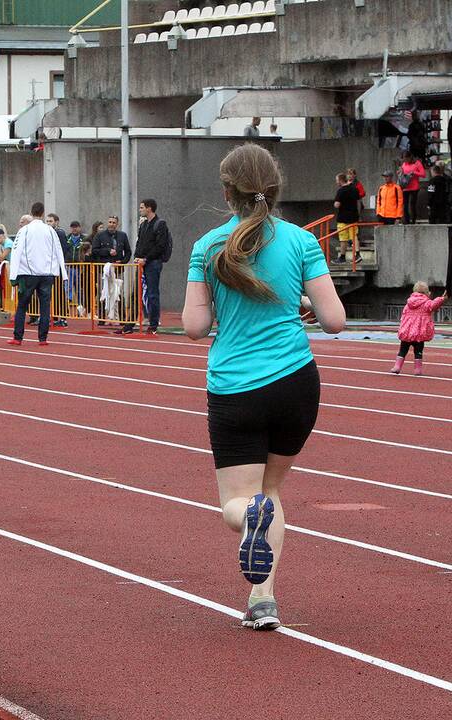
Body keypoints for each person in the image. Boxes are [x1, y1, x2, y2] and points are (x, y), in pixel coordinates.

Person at [182, 143, 345, 631]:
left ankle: (248, 520)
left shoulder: (208, 246)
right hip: (296, 383)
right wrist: (302, 307)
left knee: (242, 502)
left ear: (225, 191)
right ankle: (263, 599)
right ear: (274, 188)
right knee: (271, 490)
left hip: (235, 387)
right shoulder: (301, 242)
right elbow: (335, 320)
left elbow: (193, 326)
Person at [6, 202, 66, 346]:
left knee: (22, 305)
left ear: (31, 212)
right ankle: (42, 338)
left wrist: (13, 275)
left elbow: (16, 251)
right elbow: (59, 250)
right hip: (47, 274)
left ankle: (18, 337)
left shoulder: (24, 230)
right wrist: (63, 273)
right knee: (45, 306)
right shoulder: (50, 230)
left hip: (29, 273)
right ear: (43, 213)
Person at [128, 199, 170, 335]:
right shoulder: (144, 224)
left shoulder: (160, 224)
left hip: (153, 263)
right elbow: (140, 242)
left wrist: (146, 259)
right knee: (136, 293)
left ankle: (153, 323)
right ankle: (130, 323)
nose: (140, 209)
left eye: (142, 207)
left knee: (152, 293)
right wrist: (137, 256)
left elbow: (160, 245)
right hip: (141, 262)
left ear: (149, 208)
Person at [391, 282, 447, 376]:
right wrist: (442, 298)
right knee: (418, 351)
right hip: (419, 334)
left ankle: (397, 366)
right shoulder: (426, 303)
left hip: (407, 333)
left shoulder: (408, 303)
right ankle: (418, 369)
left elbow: (403, 316)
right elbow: (434, 304)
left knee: (402, 350)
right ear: (427, 293)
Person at [332, 173, 360, 264]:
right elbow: (358, 201)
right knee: (354, 236)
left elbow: (337, 204)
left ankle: (342, 257)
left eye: (337, 180)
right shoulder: (354, 189)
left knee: (343, 238)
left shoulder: (341, 191)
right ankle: (357, 254)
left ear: (340, 180)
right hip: (353, 217)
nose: (336, 182)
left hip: (343, 218)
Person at [400, 151, 425, 224]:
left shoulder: (417, 163)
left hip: (414, 187)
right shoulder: (404, 164)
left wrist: (414, 172)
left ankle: (413, 221)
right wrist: (400, 172)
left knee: (412, 205)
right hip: (405, 187)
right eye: (404, 159)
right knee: (405, 205)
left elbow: (423, 174)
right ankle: (406, 221)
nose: (405, 161)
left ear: (410, 157)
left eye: (406, 159)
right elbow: (402, 173)